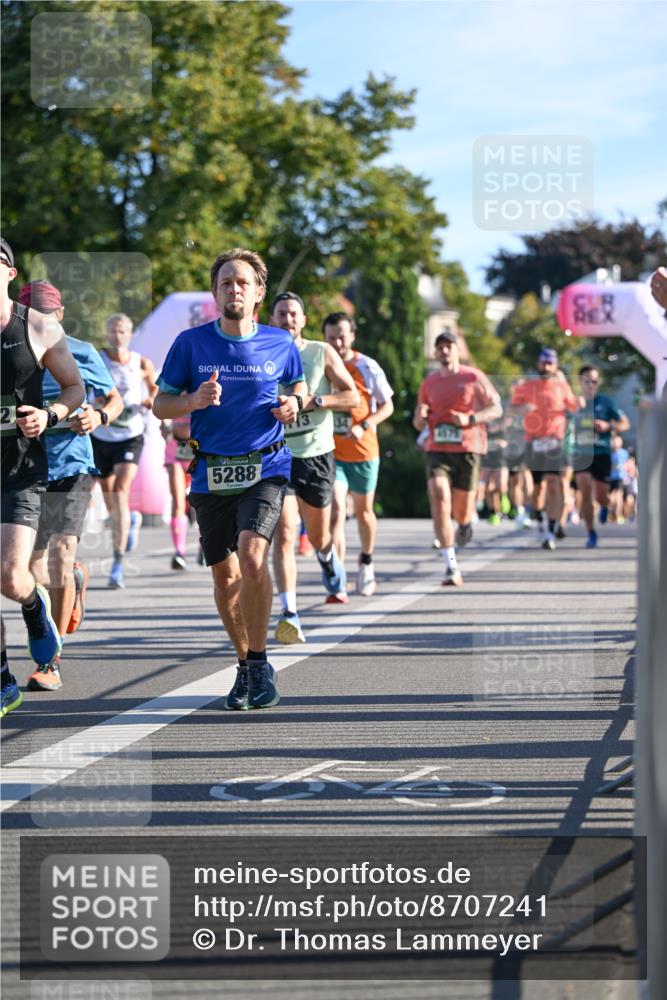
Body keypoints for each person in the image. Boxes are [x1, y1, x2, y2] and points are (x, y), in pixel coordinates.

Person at [153, 248, 306, 711]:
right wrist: (193, 400)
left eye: (242, 282)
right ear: (215, 292)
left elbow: (297, 386)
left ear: (259, 292)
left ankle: (259, 663)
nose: (234, 289)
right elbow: (161, 405)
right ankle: (244, 662)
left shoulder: (280, 343)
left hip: (266, 465)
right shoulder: (191, 344)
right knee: (225, 577)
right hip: (211, 471)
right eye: (226, 283)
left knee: (253, 554)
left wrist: (294, 404)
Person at [17, 281, 123, 691]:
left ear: (60, 315)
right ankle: (71, 587)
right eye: (34, 314)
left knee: (61, 554)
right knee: (31, 567)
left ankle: (51, 661)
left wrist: (99, 417)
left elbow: (113, 399)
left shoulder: (81, 351)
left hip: (72, 465)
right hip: (25, 468)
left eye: (48, 314)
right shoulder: (12, 351)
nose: (41, 322)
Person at [0, 238, 85, 716]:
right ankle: (2, 680)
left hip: (20, 471)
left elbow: (75, 387)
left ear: (10, 273)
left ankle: (34, 609)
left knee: (11, 577)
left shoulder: (37, 325)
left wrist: (49, 414)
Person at [270, 292, 358, 641]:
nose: (288, 319)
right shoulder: (260, 354)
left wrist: (315, 400)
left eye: (294, 314)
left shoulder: (320, 352)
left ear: (303, 320)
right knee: (285, 533)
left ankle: (327, 556)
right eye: (281, 314)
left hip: (316, 456)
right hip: (277, 456)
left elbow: (352, 396)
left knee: (319, 537)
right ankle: (289, 612)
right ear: (271, 320)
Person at [413, 330, 502, 586]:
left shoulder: (473, 376)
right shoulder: (429, 383)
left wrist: (470, 418)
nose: (444, 351)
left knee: (462, 510)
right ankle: (450, 564)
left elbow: (496, 408)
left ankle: (463, 525)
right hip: (437, 449)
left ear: (457, 350)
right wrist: (419, 417)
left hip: (467, 449)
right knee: (440, 498)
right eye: (440, 347)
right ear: (435, 352)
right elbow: (419, 421)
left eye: (449, 346)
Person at [323, 312, 394, 599]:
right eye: (331, 338)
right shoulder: (321, 363)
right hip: (332, 452)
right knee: (336, 513)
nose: (337, 343)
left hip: (364, 451)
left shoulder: (367, 366)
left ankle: (366, 560)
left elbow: (388, 406)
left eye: (342, 336)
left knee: (364, 512)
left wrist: (364, 425)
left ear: (352, 336)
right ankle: (338, 580)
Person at [91, 313, 158, 588]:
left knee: (120, 490)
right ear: (106, 334)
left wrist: (149, 400)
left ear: (130, 335)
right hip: (101, 434)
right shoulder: (97, 359)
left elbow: (155, 389)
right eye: (113, 331)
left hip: (130, 435)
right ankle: (128, 519)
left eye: (122, 332)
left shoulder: (141, 362)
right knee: (110, 497)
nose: (117, 336)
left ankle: (117, 562)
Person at [510, 349, 583, 551]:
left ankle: (551, 529)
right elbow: (512, 408)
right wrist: (522, 409)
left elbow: (573, 406)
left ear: (555, 365)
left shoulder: (562, 386)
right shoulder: (528, 386)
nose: (547, 367)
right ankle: (541, 521)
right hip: (534, 441)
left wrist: (579, 402)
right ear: (538, 364)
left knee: (553, 483)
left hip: (554, 441)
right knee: (538, 488)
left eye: (550, 363)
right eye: (544, 363)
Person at [572, 364, 629, 548]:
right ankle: (591, 532)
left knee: (601, 496)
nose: (591, 385)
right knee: (585, 491)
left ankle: (605, 505)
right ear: (580, 382)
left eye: (594, 381)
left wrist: (608, 426)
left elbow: (625, 424)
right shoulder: (573, 403)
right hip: (581, 453)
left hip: (602, 453)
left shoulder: (606, 402)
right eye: (587, 381)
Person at [160, 405, 195, 570]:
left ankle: (205, 544)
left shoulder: (202, 390)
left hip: (198, 449)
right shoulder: (175, 390)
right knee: (178, 501)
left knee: (202, 500)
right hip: (175, 449)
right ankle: (179, 552)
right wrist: (165, 425)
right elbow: (162, 409)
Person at [608, 434, 631, 523]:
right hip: (611, 478)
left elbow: (628, 464)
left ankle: (618, 515)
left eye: (617, 441)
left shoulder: (624, 453)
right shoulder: (610, 453)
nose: (615, 443)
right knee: (611, 497)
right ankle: (611, 514)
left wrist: (627, 473)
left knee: (619, 496)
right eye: (614, 441)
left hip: (620, 478)